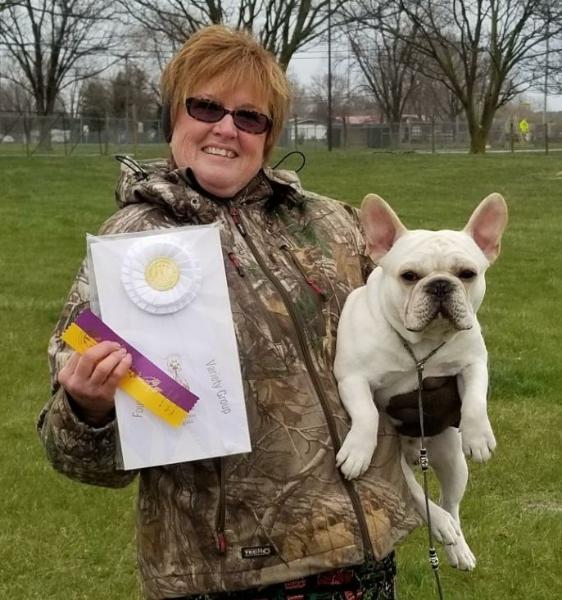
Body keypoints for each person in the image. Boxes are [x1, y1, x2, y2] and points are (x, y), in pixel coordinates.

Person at [38, 25, 459, 600]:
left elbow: (416, 329)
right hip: (231, 575)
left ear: (269, 133)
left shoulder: (334, 225)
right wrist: (88, 409)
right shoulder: (128, 246)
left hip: (364, 558)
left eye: (250, 116)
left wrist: (442, 392)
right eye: (206, 106)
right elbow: (76, 457)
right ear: (173, 114)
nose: (226, 128)